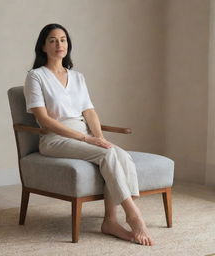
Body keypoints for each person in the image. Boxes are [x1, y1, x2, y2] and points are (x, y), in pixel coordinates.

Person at [24, 23, 154, 246]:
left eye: (63, 39)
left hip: (83, 133)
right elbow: (45, 120)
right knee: (107, 155)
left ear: (68, 44)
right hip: (55, 139)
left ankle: (110, 221)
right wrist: (86, 139)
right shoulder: (35, 77)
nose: (59, 44)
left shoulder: (77, 77)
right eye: (53, 40)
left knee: (118, 154)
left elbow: (89, 111)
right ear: (43, 47)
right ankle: (134, 216)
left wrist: (99, 137)